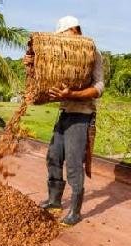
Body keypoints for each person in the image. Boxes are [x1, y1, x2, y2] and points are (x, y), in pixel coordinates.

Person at [24, 16, 104, 226]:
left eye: (65, 35)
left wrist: (72, 94)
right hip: (65, 114)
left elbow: (99, 88)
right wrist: (32, 63)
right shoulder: (61, 55)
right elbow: (47, 75)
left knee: (74, 164)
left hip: (81, 115)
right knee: (53, 156)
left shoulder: (92, 52)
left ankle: (75, 211)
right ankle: (54, 201)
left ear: (74, 30)